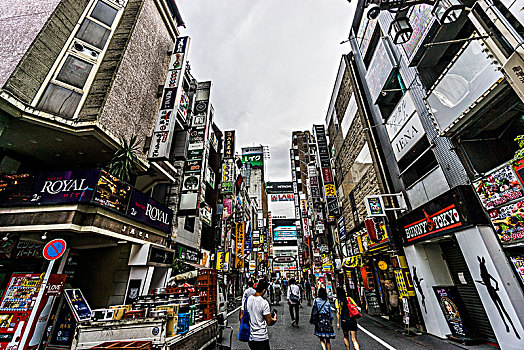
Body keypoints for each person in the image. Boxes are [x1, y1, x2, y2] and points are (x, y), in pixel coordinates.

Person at [244, 279, 277, 350]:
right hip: (262, 338)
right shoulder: (264, 302)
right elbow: (269, 322)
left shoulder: (247, 300)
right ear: (264, 290)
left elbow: (241, 317)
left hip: (251, 338)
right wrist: (274, 319)